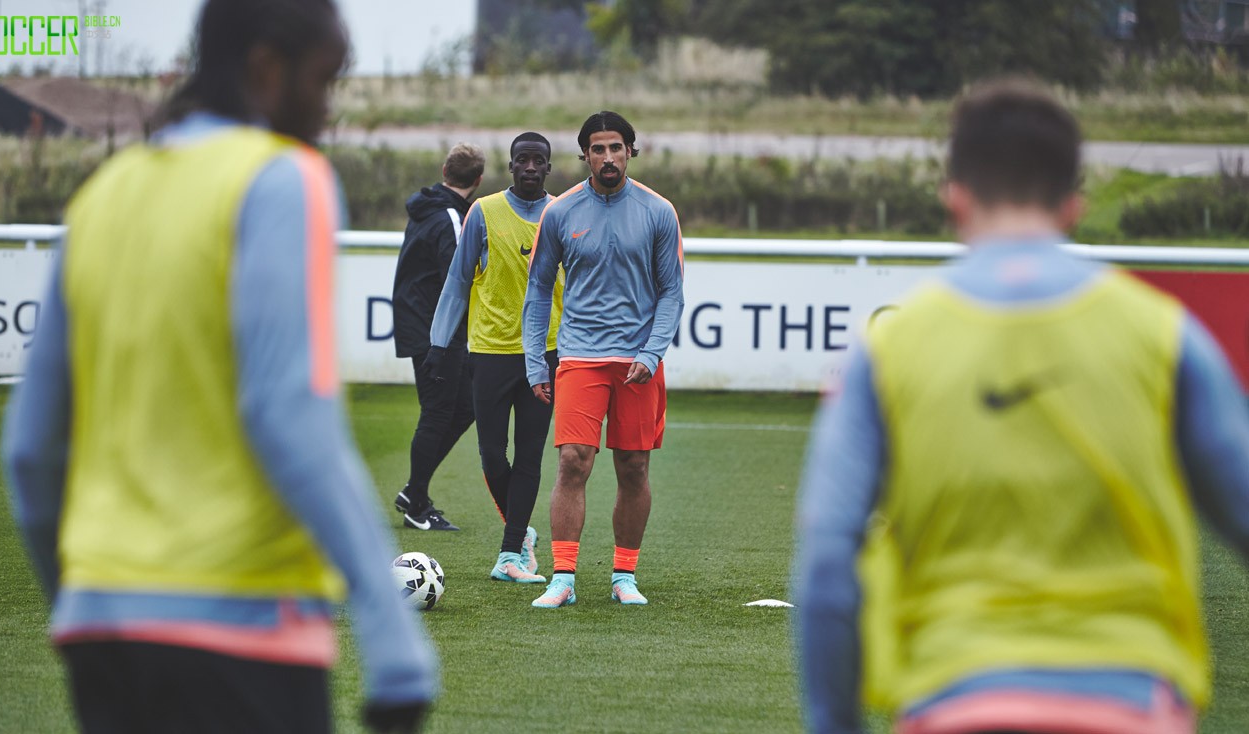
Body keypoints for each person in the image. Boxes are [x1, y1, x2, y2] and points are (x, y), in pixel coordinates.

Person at [0, 1, 436, 732]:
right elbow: (289, 415)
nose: (326, 110)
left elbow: (30, 450)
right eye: (323, 81)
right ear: (267, 69)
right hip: (241, 629)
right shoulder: (283, 179)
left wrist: (81, 604)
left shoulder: (106, 193)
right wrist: (393, 641)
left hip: (101, 632)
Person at [793, 78, 1249, 734]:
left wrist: (835, 721)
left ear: (955, 197)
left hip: (954, 698)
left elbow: (828, 556)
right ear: (1074, 204)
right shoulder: (1163, 334)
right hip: (1132, 701)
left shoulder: (891, 348)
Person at [522, 111, 685, 608]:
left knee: (633, 467)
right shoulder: (561, 212)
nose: (608, 157)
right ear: (585, 155)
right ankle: (563, 578)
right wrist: (535, 361)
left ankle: (624, 576)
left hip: (638, 359)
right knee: (573, 461)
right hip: (580, 356)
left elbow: (671, 294)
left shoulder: (659, 211)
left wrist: (652, 352)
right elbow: (537, 290)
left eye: (617, 147)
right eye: (598, 149)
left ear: (631, 151)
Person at [429, 132, 563, 584]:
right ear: (511, 166)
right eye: (521, 160)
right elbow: (457, 279)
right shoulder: (483, 212)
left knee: (529, 456)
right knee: (491, 456)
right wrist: (438, 342)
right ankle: (522, 531)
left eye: (537, 161)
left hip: (544, 355)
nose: (529, 167)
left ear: (548, 167)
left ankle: (509, 554)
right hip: (488, 352)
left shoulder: (562, 213)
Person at [391, 142, 486, 531]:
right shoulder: (450, 217)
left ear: (445, 169)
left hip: (427, 323)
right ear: (478, 180)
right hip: (435, 329)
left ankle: (414, 491)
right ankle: (416, 503)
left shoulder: (430, 207)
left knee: (464, 407)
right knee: (439, 412)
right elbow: (458, 276)